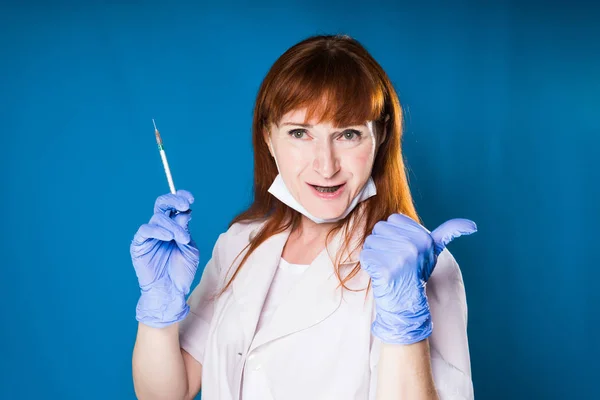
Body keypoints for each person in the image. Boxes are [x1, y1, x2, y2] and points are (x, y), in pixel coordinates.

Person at [130, 34, 478, 400]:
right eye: (300, 133)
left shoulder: (417, 267)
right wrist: (159, 313)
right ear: (269, 138)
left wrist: (406, 326)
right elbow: (167, 394)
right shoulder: (238, 244)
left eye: (348, 134)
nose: (325, 166)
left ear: (381, 137)